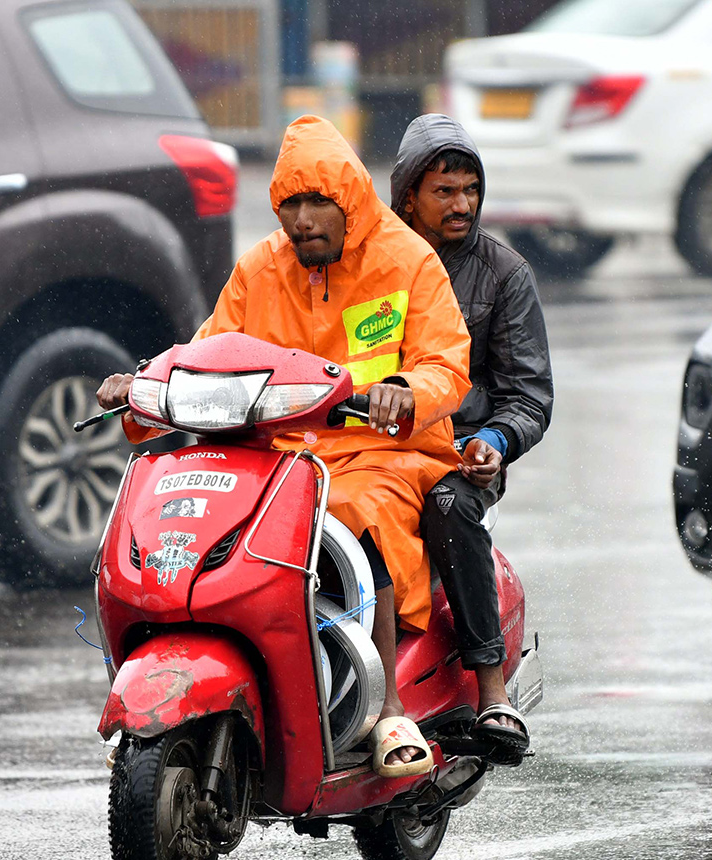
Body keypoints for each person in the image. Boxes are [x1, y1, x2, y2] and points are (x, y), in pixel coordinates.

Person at [97, 115, 472, 778]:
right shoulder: (259, 270)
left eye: (317, 203)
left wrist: (406, 390)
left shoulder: (407, 259)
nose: (302, 221)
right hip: (279, 458)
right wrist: (147, 385)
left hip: (385, 453)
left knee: (352, 513)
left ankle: (385, 712)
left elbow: (447, 364)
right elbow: (207, 351)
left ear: (351, 200)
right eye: (290, 205)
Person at [390, 113, 554, 765]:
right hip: (365, 449)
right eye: (444, 191)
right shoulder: (368, 258)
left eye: (470, 190)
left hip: (459, 455)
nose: (462, 205)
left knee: (449, 508)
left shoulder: (503, 273)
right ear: (407, 196)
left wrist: (495, 440)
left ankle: (491, 688)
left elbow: (530, 394)